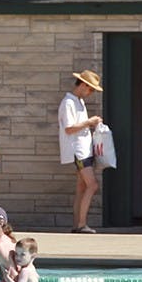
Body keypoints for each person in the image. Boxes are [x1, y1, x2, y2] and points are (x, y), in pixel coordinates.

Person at [58, 70, 104, 233]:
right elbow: (69, 129)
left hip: (83, 149)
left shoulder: (78, 102)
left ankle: (78, 224)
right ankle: (81, 224)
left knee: (82, 187)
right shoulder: (69, 102)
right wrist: (89, 122)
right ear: (83, 85)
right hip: (78, 151)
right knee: (92, 185)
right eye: (90, 89)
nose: (90, 93)